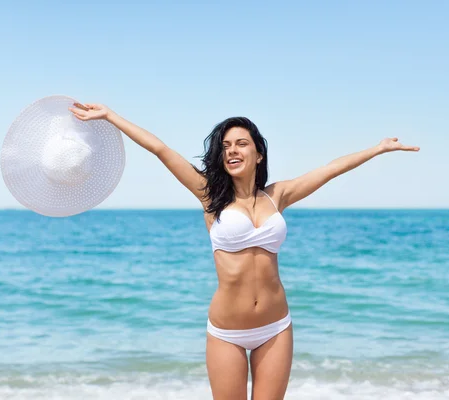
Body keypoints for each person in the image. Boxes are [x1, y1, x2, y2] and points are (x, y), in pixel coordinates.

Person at [69, 103, 420, 400]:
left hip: (276, 327)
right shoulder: (209, 195)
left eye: (241, 144)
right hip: (227, 332)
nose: (232, 150)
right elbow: (161, 150)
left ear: (258, 153)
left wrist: (377, 149)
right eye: (225, 146)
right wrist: (111, 116)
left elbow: (329, 170)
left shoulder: (277, 195)